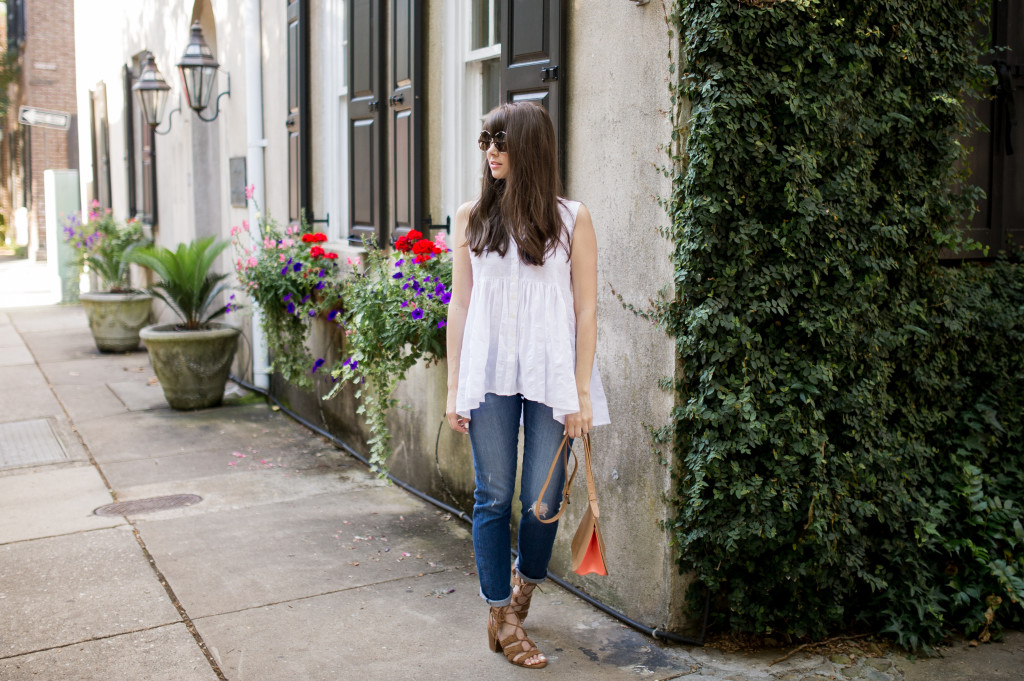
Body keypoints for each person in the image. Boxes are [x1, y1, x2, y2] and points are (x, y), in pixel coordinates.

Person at [445, 101, 611, 669]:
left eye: (502, 140)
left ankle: (523, 592)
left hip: (550, 374)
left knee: (543, 504)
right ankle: (500, 614)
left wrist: (581, 393)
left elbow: (586, 311)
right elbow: (460, 307)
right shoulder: (471, 217)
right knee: (492, 496)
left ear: (531, 148)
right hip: (488, 373)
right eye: (486, 139)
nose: (491, 150)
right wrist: (452, 389)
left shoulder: (572, 220)